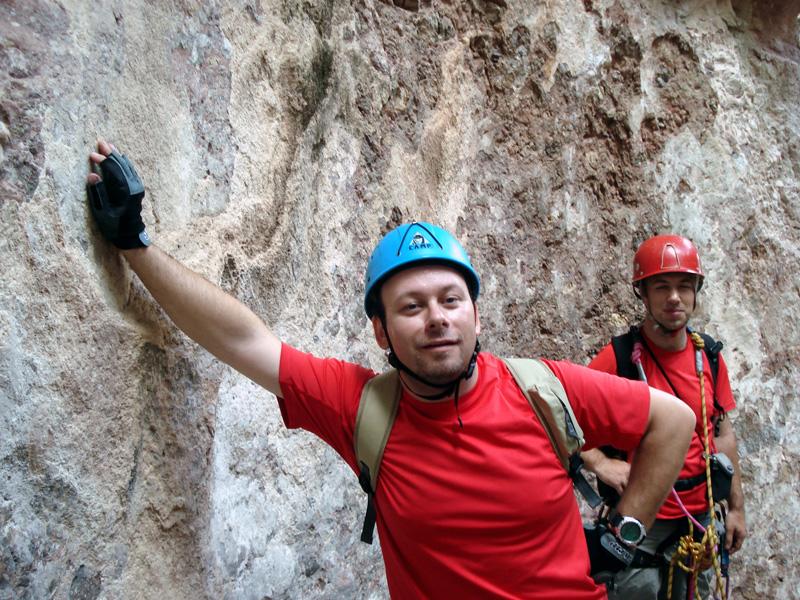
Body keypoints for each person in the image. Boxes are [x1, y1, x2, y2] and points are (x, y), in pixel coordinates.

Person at [86, 139, 696, 599]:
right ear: (381, 330)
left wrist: (626, 532)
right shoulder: (362, 409)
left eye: (451, 301)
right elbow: (242, 339)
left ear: (475, 317)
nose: (437, 318)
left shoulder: (542, 387)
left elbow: (674, 420)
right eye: (412, 306)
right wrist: (136, 243)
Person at [581, 235, 748, 599]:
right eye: (662, 287)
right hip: (640, 526)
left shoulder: (710, 358)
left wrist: (735, 508)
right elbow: (565, 424)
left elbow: (721, 433)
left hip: (698, 523)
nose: (674, 297)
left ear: (695, 292)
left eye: (684, 287)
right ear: (643, 294)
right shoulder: (620, 359)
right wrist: (604, 466)